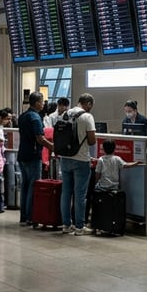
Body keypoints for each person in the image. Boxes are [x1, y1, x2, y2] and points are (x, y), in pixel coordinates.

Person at [59, 93, 97, 235]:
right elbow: (92, 141)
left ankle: (66, 225)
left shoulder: (65, 114)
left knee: (66, 193)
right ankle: (80, 226)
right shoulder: (87, 117)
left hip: (65, 158)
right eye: (91, 106)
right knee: (80, 194)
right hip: (81, 159)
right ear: (88, 103)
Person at [17, 92, 51, 227]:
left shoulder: (23, 116)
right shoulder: (35, 118)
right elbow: (40, 138)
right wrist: (52, 147)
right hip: (33, 155)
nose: (43, 104)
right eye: (42, 102)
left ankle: (23, 217)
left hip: (22, 154)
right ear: (37, 103)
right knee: (33, 186)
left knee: (24, 186)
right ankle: (31, 216)